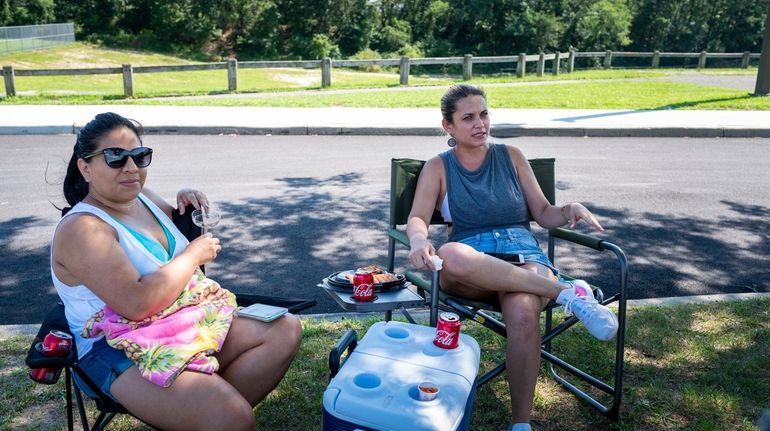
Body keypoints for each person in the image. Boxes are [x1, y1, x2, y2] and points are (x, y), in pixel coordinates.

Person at [51, 112, 302, 431]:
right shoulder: (83, 230)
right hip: (119, 348)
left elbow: (172, 228)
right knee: (232, 418)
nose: (131, 168)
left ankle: (207, 414)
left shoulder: (142, 198)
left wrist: (186, 199)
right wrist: (193, 255)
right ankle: (216, 415)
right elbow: (137, 303)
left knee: (284, 328)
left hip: (181, 323)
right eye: (115, 157)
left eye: (139, 157)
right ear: (85, 167)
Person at [407, 85, 618, 431]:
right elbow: (417, 217)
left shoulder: (513, 156)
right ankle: (565, 293)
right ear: (448, 126)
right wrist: (418, 240)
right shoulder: (438, 167)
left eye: (484, 114)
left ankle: (521, 424)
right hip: (472, 263)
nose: (480, 124)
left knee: (522, 309)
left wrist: (570, 209)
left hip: (524, 254)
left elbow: (545, 213)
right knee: (451, 255)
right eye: (468, 117)